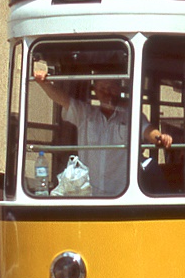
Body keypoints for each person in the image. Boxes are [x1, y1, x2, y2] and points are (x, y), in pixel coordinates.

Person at [34, 70, 171, 195]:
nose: (106, 93)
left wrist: (161, 138)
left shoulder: (132, 116)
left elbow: (149, 131)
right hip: (89, 195)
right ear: (95, 91)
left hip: (121, 196)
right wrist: (44, 83)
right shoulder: (85, 114)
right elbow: (62, 99)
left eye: (111, 88)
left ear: (118, 89)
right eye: (102, 89)